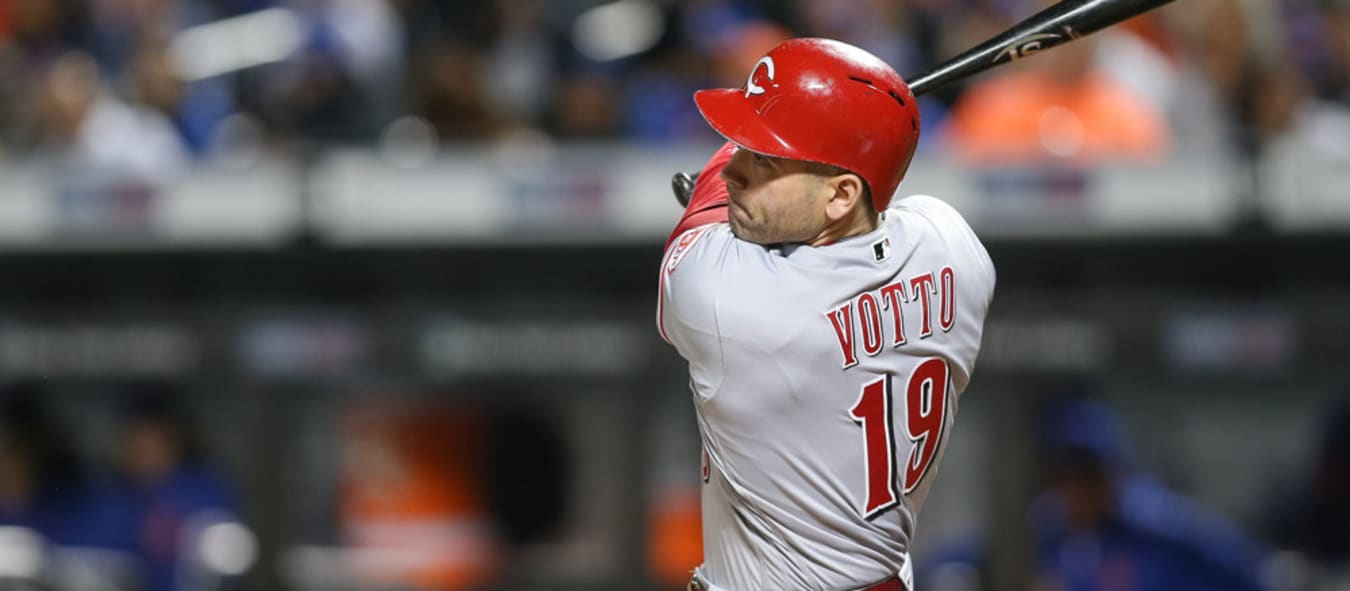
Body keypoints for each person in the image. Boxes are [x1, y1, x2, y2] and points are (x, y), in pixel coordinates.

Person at [657, 38, 996, 591]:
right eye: (745, 148)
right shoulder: (952, 244)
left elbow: (712, 195)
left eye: (765, 158)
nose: (742, 166)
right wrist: (854, 126)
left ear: (841, 195)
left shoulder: (728, 299)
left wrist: (731, 163)